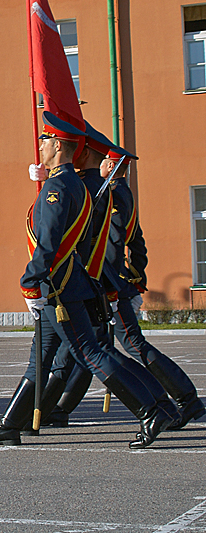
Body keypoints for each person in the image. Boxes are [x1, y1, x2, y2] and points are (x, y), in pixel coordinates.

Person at [0, 113, 175, 448]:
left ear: (59, 146)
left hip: (58, 287)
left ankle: (151, 410)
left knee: (90, 353)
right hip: (68, 283)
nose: (41, 147)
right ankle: (10, 424)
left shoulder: (58, 187)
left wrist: (30, 282)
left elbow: (50, 243)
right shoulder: (72, 184)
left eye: (45, 141)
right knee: (43, 354)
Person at [103, 146, 205, 429]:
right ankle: (181, 401)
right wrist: (136, 277)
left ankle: (184, 400)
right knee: (127, 345)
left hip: (114, 285)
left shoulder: (114, 195)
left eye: (102, 163)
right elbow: (137, 241)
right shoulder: (123, 192)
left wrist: (116, 284)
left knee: (133, 345)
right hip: (122, 282)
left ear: (111, 165)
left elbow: (114, 244)